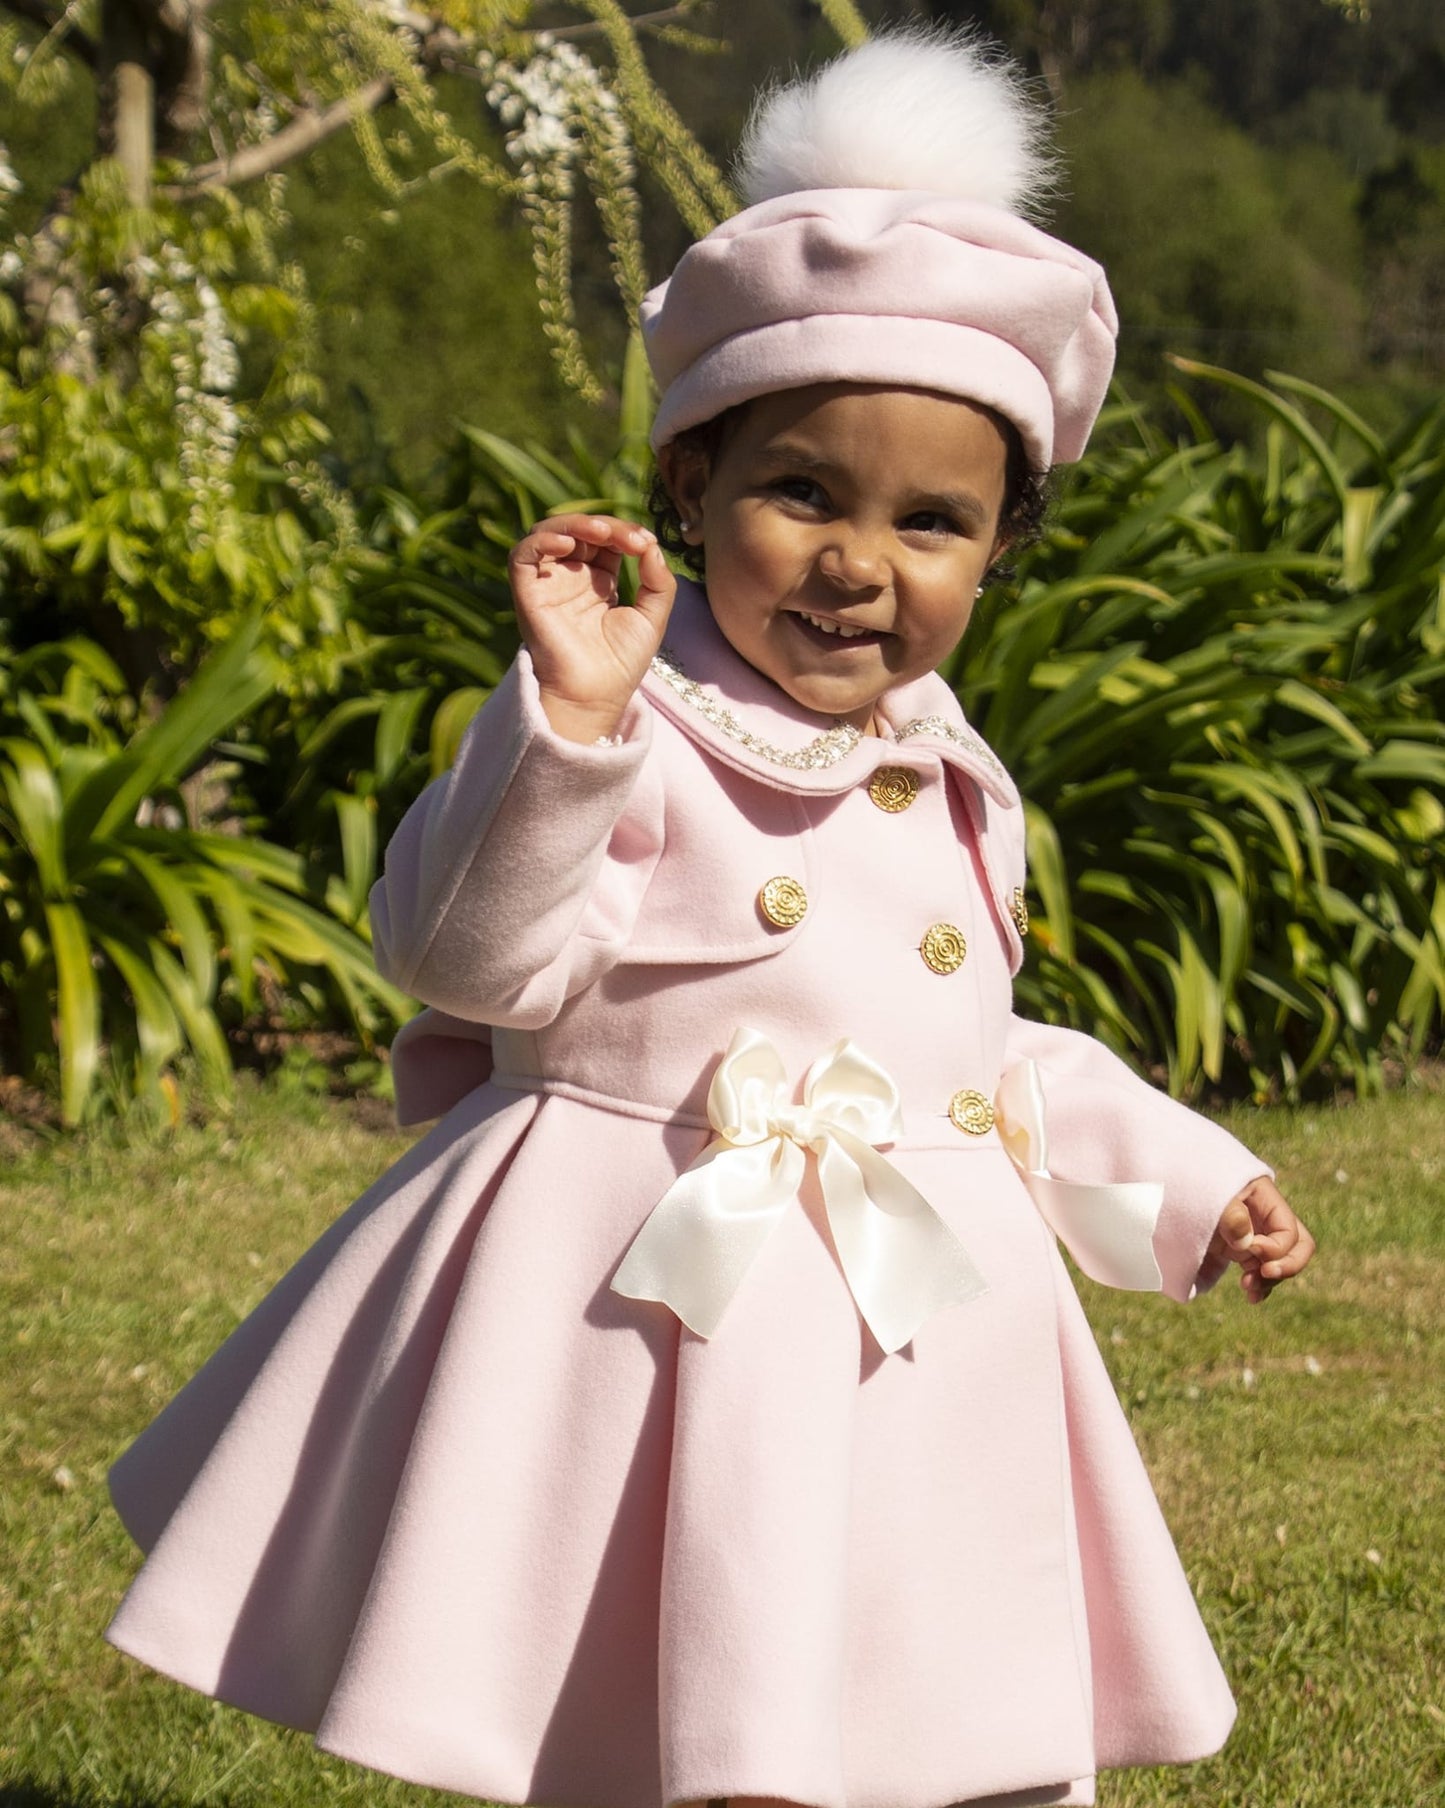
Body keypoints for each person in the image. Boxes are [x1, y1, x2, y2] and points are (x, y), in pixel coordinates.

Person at [106, 28, 1316, 1808]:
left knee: (902, 1670)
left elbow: (968, 1050)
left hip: (900, 1317)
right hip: (655, 1295)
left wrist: (1198, 1177)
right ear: (691, 487)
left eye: (931, 524)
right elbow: (466, 960)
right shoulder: (618, 720)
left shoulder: (947, 766)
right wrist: (571, 728)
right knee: (679, 1676)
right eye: (800, 492)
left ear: (994, 553)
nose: (857, 564)